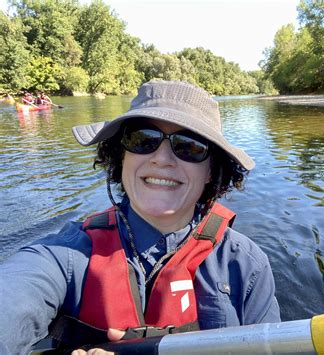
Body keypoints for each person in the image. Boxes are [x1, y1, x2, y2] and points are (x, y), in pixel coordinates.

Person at [0, 80, 281, 354]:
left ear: (211, 171)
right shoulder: (65, 256)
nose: (162, 158)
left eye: (189, 146)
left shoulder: (246, 266)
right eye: (143, 139)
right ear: (121, 156)